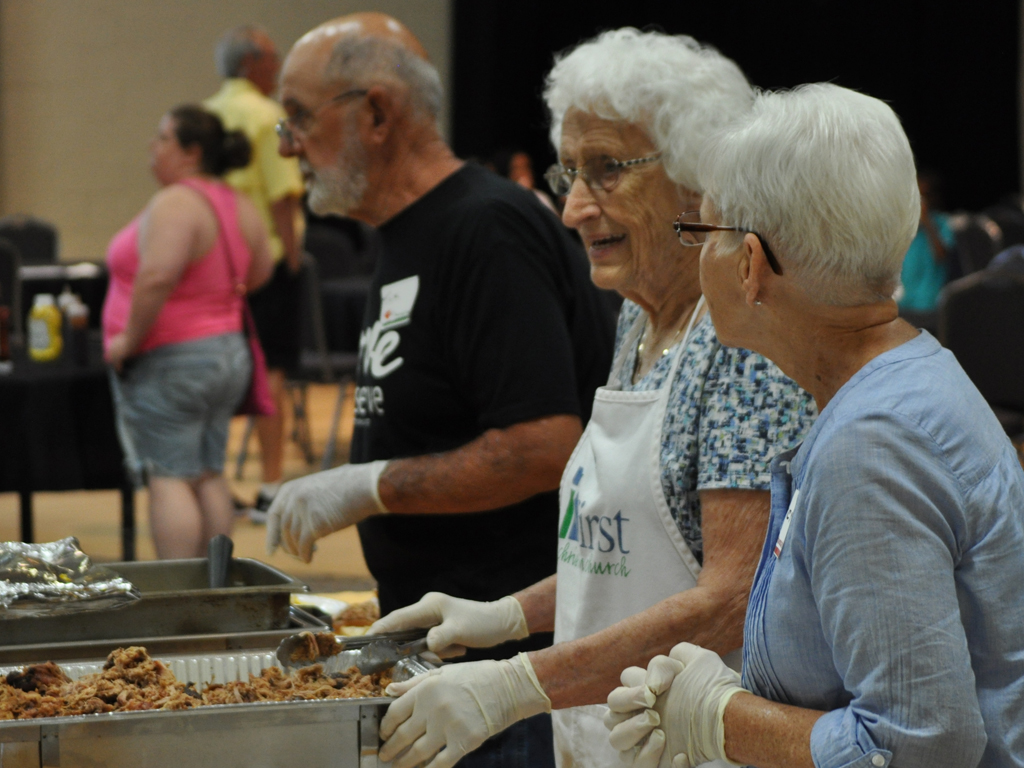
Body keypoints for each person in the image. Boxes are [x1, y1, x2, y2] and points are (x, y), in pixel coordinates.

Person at [371, 28, 816, 768]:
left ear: (699, 178)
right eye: (569, 172)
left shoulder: (744, 343)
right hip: (605, 733)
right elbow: (624, 560)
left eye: (608, 171)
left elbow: (735, 597)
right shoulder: (638, 317)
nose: (575, 208)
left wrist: (516, 683)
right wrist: (513, 614)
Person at [606, 84, 1024, 768]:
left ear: (749, 266)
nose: (696, 254)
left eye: (704, 232)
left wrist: (719, 718)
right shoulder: (895, 386)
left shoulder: (875, 443)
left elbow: (919, 749)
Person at [265, 13, 615, 765]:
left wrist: (370, 485)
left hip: (510, 675)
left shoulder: (486, 228)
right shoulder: (407, 232)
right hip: (442, 653)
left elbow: (546, 444)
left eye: (297, 117)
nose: (286, 144)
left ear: (378, 113)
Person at [102, 106, 273, 559]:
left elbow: (156, 275)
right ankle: (214, 590)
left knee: (169, 475)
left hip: (173, 360)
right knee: (208, 473)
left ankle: (179, 593)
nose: (152, 149)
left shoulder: (177, 201)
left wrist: (128, 340)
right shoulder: (236, 203)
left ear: (191, 152)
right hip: (226, 354)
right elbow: (261, 271)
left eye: (162, 138)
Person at [205, 24, 306, 519]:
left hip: (214, 265)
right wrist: (292, 261)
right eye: (272, 58)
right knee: (271, 374)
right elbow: (283, 195)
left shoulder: (205, 115)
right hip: (263, 263)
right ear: (251, 64)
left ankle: (214, 480)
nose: (279, 64)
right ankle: (269, 485)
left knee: (220, 371)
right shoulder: (268, 116)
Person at [896, 170, 954, 321]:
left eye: (925, 196)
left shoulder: (942, 223)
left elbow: (942, 255)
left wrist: (927, 223)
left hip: (929, 303)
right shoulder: (903, 225)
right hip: (903, 302)